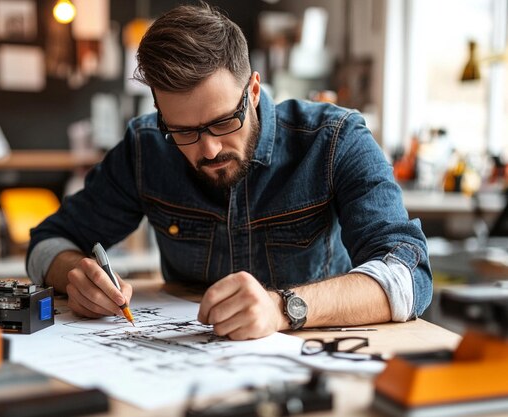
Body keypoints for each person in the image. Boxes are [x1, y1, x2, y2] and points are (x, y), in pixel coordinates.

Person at [27, 2, 432, 341]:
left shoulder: (334, 140)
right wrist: (74, 276)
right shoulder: (145, 148)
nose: (209, 148)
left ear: (253, 90)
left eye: (223, 121)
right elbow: (46, 244)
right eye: (182, 131)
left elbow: (409, 276)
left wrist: (281, 308)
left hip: (312, 362)